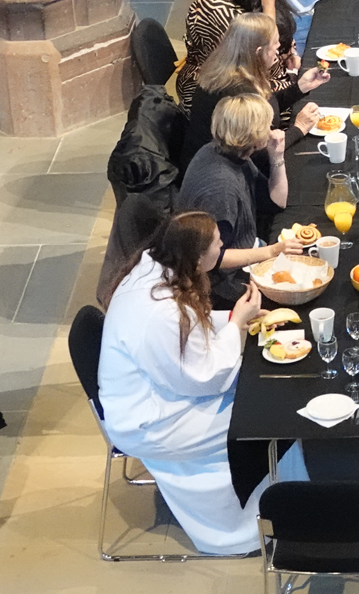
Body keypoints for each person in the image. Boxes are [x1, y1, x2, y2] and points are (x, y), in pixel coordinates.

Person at [98, 211, 307, 555]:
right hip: (153, 421)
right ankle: (254, 523)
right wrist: (236, 322)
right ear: (196, 257)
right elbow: (204, 378)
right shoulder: (159, 312)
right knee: (266, 413)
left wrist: (235, 319)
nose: (223, 247)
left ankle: (287, 495)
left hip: (160, 396)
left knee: (266, 395)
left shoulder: (156, 268)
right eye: (217, 244)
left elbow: (190, 332)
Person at [178, 94, 303, 304]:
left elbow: (276, 203)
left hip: (246, 248)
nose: (272, 131)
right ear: (253, 135)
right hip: (221, 283)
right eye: (267, 126)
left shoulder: (226, 153)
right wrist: (270, 251)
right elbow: (212, 258)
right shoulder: (221, 189)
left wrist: (277, 157)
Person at [182, 10, 326, 171]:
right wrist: (299, 128)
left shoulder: (231, 68)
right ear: (259, 52)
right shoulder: (237, 91)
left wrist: (300, 87)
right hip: (220, 174)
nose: (277, 53)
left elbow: (267, 105)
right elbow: (258, 154)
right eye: (275, 46)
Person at [176, 0, 284, 109]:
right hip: (222, 95)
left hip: (253, 76)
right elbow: (254, 59)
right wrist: (269, 9)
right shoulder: (215, 9)